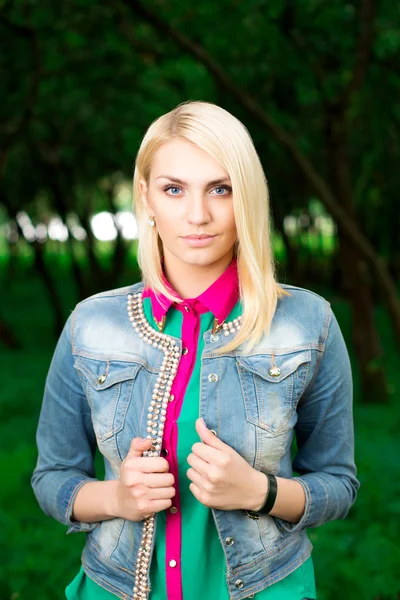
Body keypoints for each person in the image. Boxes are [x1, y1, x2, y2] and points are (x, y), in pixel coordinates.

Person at [31, 100, 360, 600]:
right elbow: (52, 477)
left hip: (267, 589)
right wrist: (116, 496)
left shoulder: (307, 323)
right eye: (174, 189)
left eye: (220, 189)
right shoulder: (90, 325)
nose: (198, 214)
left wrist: (261, 492)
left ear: (246, 196)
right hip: (113, 587)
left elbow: (338, 484)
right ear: (146, 198)